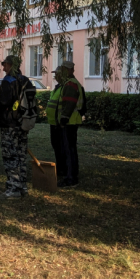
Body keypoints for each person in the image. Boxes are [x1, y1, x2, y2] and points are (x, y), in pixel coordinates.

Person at [0, 55, 29, 199]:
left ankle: (13, 189)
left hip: (9, 124)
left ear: (10, 65)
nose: (3, 68)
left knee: (10, 155)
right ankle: (22, 186)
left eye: (5, 65)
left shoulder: (8, 82)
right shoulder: (24, 81)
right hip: (22, 123)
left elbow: (3, 102)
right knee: (21, 155)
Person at [52, 60, 83, 188]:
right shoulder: (69, 83)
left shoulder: (70, 84)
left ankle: (71, 178)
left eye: (66, 69)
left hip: (69, 122)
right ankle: (70, 176)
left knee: (69, 151)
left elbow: (69, 105)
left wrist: (63, 120)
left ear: (70, 70)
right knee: (69, 150)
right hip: (70, 121)